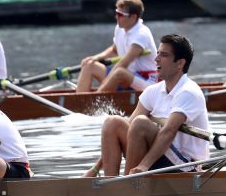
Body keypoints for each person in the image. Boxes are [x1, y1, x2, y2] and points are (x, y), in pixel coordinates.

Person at [84, 34, 209, 177]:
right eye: (157, 54)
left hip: (186, 165)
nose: (156, 59)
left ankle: (127, 184)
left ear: (180, 63)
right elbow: (128, 127)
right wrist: (95, 168)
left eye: (164, 55)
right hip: (161, 157)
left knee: (141, 124)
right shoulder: (152, 91)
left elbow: (169, 131)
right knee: (113, 122)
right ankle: (109, 183)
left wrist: (144, 165)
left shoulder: (188, 92)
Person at [76, 0, 158, 93]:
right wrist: (95, 58)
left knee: (119, 72)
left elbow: (124, 63)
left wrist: (105, 82)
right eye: (116, 13)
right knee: (89, 65)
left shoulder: (141, 34)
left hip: (147, 81)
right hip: (127, 76)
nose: (116, 17)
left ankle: (94, 103)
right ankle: (79, 101)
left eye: (120, 14)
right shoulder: (120, 28)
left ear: (133, 17)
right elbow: (114, 50)